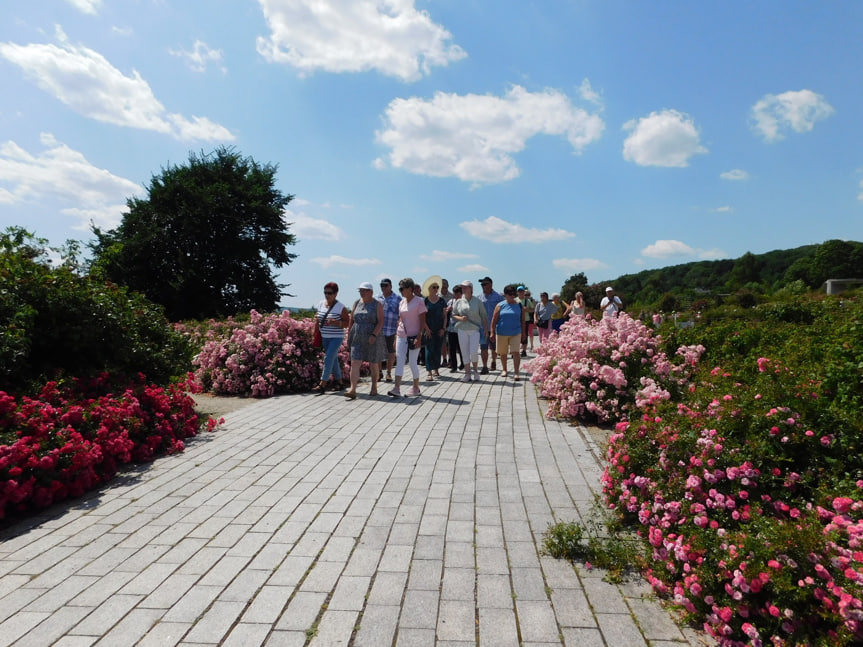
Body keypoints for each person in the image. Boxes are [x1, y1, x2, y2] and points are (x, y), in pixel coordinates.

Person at [389, 278, 430, 397]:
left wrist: (419, 336)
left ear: (410, 289)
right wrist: (396, 337)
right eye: (399, 288)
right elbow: (400, 320)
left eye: (402, 288)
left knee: (412, 362)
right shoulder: (401, 302)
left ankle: (416, 388)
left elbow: (422, 320)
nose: (400, 291)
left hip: (414, 335)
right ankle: (396, 388)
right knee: (400, 360)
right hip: (402, 334)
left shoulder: (419, 301)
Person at [344, 282, 386, 399]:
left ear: (371, 292)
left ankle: (374, 387)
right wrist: (349, 335)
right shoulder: (357, 303)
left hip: (371, 337)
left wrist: (374, 334)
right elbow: (351, 319)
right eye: (361, 290)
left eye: (365, 290)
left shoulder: (377, 304)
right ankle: (353, 389)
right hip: (357, 336)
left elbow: (381, 321)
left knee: (373, 363)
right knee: (355, 363)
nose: (362, 292)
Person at [312, 282, 350, 394]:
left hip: (336, 337)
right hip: (325, 336)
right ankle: (340, 382)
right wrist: (315, 332)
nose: (327, 295)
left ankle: (322, 384)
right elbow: (318, 319)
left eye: (330, 293)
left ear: (336, 294)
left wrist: (336, 323)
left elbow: (347, 323)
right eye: (325, 292)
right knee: (333, 360)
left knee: (328, 358)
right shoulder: (320, 304)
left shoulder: (340, 307)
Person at [452, 280, 488, 382]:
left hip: (474, 329)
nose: (463, 288)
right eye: (462, 287)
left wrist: (485, 329)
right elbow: (453, 314)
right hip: (462, 329)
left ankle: (476, 371)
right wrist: (460, 318)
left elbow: (484, 316)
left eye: (465, 287)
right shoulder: (459, 301)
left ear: (471, 288)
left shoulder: (477, 301)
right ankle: (467, 374)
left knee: (473, 352)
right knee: (464, 352)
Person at [489, 284, 525, 380]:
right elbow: (494, 319)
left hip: (516, 332)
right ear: (505, 294)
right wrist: (492, 332)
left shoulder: (519, 305)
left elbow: (522, 320)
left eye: (513, 293)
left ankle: (516, 372)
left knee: (516, 352)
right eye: (509, 294)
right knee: (503, 352)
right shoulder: (500, 305)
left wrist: (524, 333)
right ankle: (504, 369)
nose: (511, 295)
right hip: (501, 332)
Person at [377, 278, 401, 382]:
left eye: (386, 285)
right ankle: (379, 372)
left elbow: (401, 314)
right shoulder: (377, 298)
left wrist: (398, 329)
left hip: (391, 329)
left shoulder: (398, 298)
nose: (383, 287)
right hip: (379, 329)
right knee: (377, 352)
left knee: (391, 352)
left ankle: (389, 373)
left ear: (391, 286)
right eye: (381, 285)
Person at [477, 276, 503, 373]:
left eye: (485, 284)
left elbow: (502, 311)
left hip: (494, 327)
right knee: (483, 347)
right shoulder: (478, 297)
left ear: (490, 284)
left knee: (493, 347)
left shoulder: (498, 297)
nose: (483, 286)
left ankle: (493, 361)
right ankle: (484, 366)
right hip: (483, 327)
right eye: (482, 284)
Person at [423, 282, 447, 380]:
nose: (436, 289)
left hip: (439, 329)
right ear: (429, 288)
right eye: (434, 287)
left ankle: (436, 368)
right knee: (429, 350)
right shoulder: (425, 301)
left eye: (437, 287)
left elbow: (445, 316)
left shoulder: (442, 301)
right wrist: (427, 329)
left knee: (437, 349)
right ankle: (429, 372)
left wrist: (443, 328)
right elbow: (422, 317)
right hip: (429, 329)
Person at [446, 284, 465, 372]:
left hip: (461, 327)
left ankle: (463, 363)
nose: (457, 295)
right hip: (451, 328)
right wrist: (447, 310)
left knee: (461, 347)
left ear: (461, 293)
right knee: (451, 348)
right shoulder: (450, 301)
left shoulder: (464, 302)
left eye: (458, 293)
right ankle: (454, 365)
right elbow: (445, 314)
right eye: (455, 293)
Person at [439, 278, 452, 365]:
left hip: (450, 322)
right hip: (440, 321)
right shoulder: (437, 296)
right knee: (443, 342)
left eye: (445, 287)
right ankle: (444, 359)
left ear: (448, 286)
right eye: (442, 287)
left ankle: (450, 359)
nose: (444, 288)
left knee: (450, 343)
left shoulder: (452, 296)